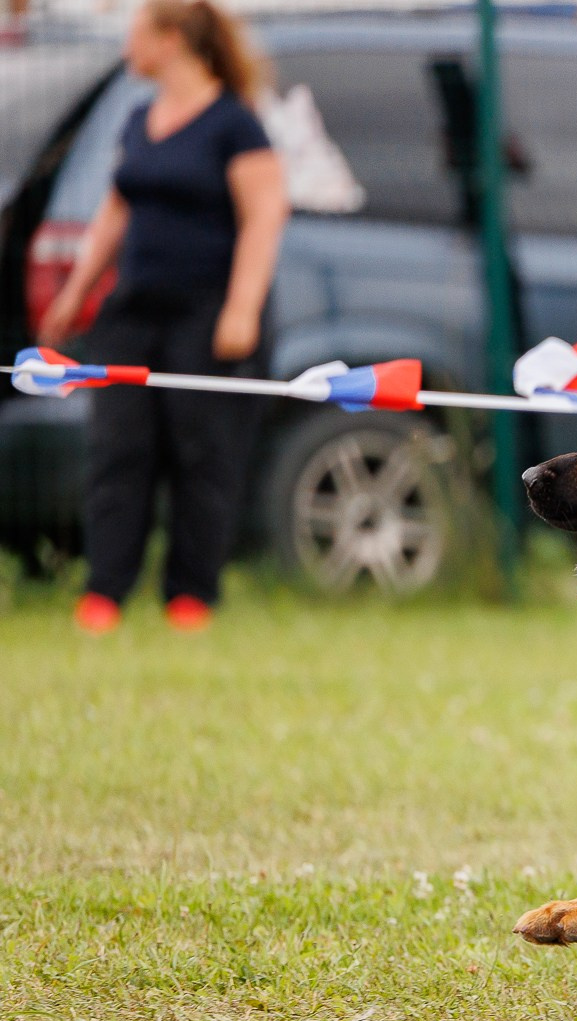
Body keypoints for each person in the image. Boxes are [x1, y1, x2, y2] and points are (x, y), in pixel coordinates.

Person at [37, 0, 288, 635]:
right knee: (118, 450)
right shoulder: (137, 118)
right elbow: (114, 216)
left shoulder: (235, 125)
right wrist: (75, 295)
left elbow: (264, 215)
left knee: (202, 456)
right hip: (132, 313)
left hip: (205, 315)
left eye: (136, 35)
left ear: (172, 40)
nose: (128, 49)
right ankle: (103, 596)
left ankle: (190, 598)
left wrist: (241, 306)